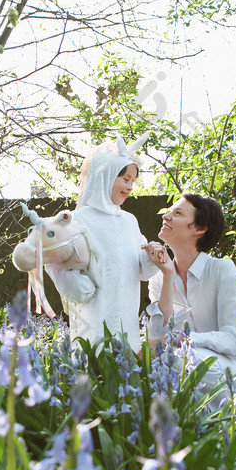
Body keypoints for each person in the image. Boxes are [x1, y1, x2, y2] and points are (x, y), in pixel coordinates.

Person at [144, 193, 236, 403]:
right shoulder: (159, 277)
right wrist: (167, 276)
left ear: (199, 229)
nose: (167, 216)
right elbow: (159, 334)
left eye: (178, 213)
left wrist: (182, 339)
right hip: (189, 377)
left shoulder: (221, 270)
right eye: (169, 211)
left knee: (178, 357)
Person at [44, 137, 159, 351]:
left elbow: (141, 269)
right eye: (125, 179)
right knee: (92, 368)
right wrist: (72, 285)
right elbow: (50, 258)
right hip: (91, 316)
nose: (130, 187)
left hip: (126, 319)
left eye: (132, 181)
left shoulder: (129, 221)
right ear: (105, 174)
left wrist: (152, 257)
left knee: (126, 375)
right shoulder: (76, 219)